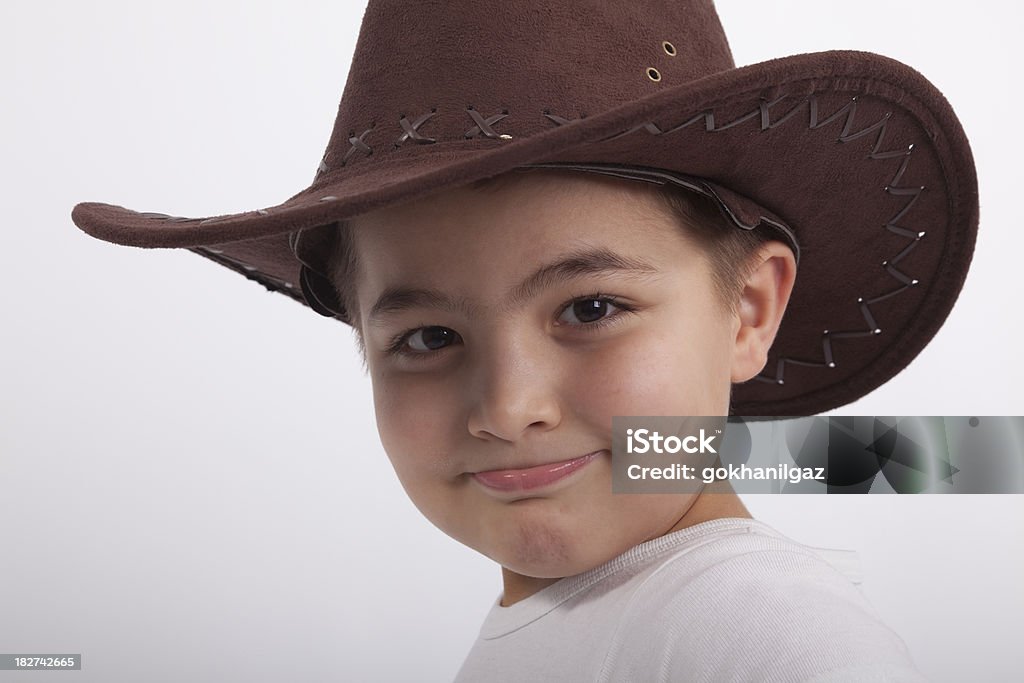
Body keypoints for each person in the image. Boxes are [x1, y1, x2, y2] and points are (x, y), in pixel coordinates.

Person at [71, 0, 977, 679]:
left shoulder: (765, 634)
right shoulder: (586, 624)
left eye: (590, 309)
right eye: (428, 335)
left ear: (747, 309)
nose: (508, 408)